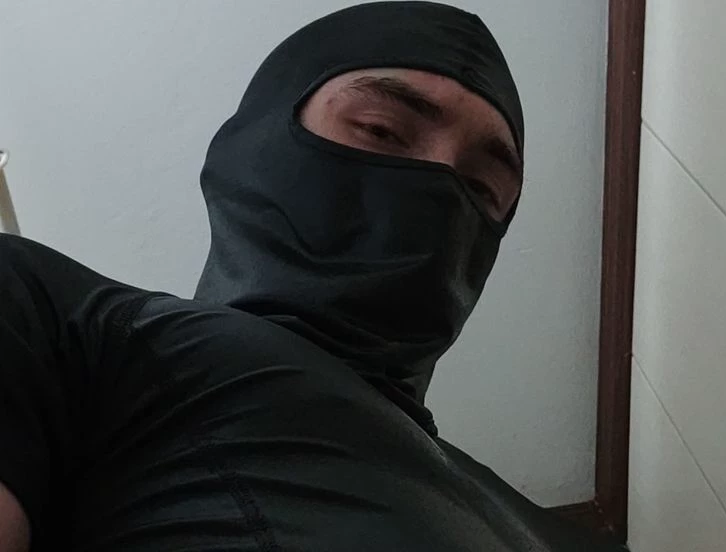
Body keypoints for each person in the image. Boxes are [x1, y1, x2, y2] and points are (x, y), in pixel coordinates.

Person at [0, 2, 626, 550]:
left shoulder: (551, 528)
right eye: (381, 130)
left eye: (483, 188)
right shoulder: (59, 320)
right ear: (258, 144)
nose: (439, 191)